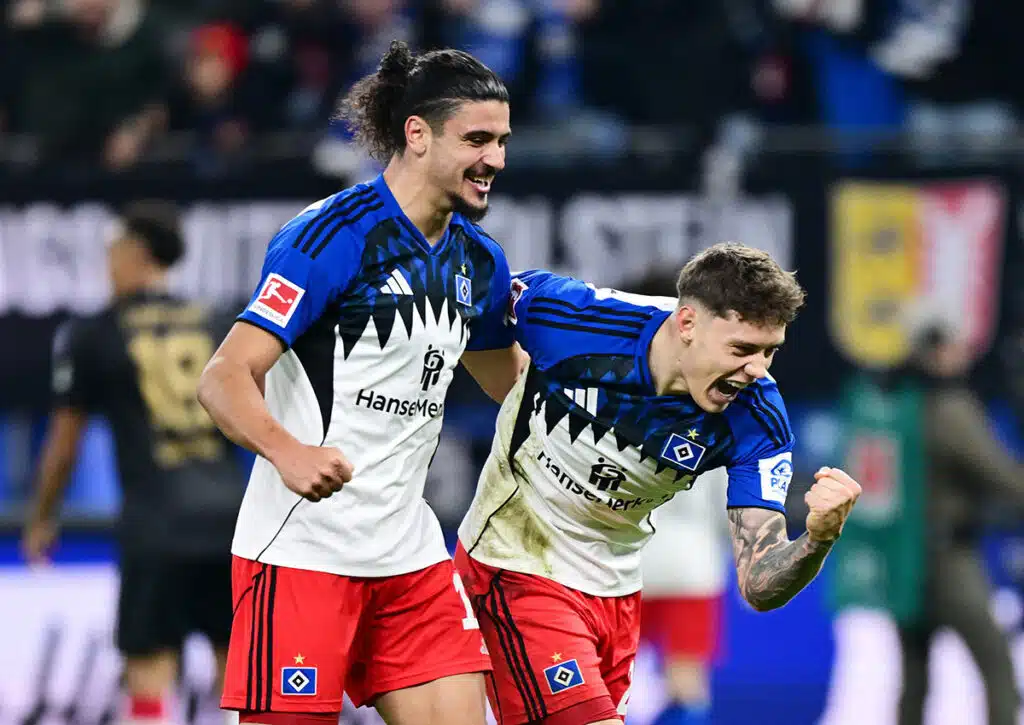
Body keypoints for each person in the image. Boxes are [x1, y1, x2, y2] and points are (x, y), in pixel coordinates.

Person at [197, 40, 523, 725]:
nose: (495, 158)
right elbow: (224, 375)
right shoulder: (330, 236)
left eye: (501, 140)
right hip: (299, 553)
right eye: (477, 139)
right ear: (417, 134)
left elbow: (513, 388)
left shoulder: (479, 263)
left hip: (409, 554)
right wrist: (290, 452)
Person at [455, 243, 863, 725]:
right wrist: (507, 384)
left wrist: (818, 538)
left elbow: (760, 584)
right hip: (515, 566)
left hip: (618, 589)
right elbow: (470, 296)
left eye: (770, 351)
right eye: (742, 349)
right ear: (687, 323)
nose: (758, 369)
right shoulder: (574, 315)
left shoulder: (758, 418)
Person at [22, 201, 244, 725]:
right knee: (237, 671)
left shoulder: (96, 332)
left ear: (135, 254)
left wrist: (42, 517)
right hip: (231, 522)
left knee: (149, 669)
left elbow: (64, 443)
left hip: (155, 526)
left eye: (111, 253)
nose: (106, 266)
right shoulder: (216, 321)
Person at [891, 321, 1024, 725]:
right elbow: (1001, 477)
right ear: (936, 355)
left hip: (903, 557)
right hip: (947, 560)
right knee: (997, 665)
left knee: (915, 677)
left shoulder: (895, 404)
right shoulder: (950, 408)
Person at [639, 467, 729, 725]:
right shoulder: (717, 431)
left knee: (617, 671)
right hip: (692, 564)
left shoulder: (614, 427)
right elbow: (730, 506)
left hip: (630, 562)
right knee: (687, 676)